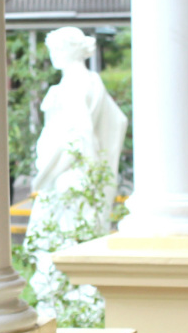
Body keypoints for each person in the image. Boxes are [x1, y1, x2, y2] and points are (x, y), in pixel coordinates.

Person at [27, 27, 126, 239]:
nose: (53, 55)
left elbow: (82, 132)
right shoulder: (90, 80)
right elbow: (117, 121)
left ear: (70, 50)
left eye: (56, 49)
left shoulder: (75, 83)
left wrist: (88, 169)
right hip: (71, 165)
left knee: (59, 232)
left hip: (67, 167)